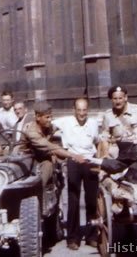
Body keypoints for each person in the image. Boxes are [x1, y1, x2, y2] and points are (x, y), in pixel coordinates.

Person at [53, 98, 99, 251]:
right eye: (79, 110)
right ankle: (73, 238)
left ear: (88, 110)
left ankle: (92, 235)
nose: (81, 113)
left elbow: (98, 142)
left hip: (90, 160)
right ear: (74, 110)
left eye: (84, 110)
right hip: (73, 161)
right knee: (73, 198)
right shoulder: (65, 121)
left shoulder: (93, 123)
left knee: (92, 199)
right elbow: (48, 126)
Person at [19, 101, 87, 191]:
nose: (50, 119)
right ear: (38, 117)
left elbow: (61, 126)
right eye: (47, 117)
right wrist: (73, 155)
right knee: (48, 165)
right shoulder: (32, 132)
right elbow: (51, 147)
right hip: (27, 160)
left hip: (40, 156)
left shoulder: (48, 126)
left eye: (51, 116)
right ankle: (37, 192)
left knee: (58, 171)